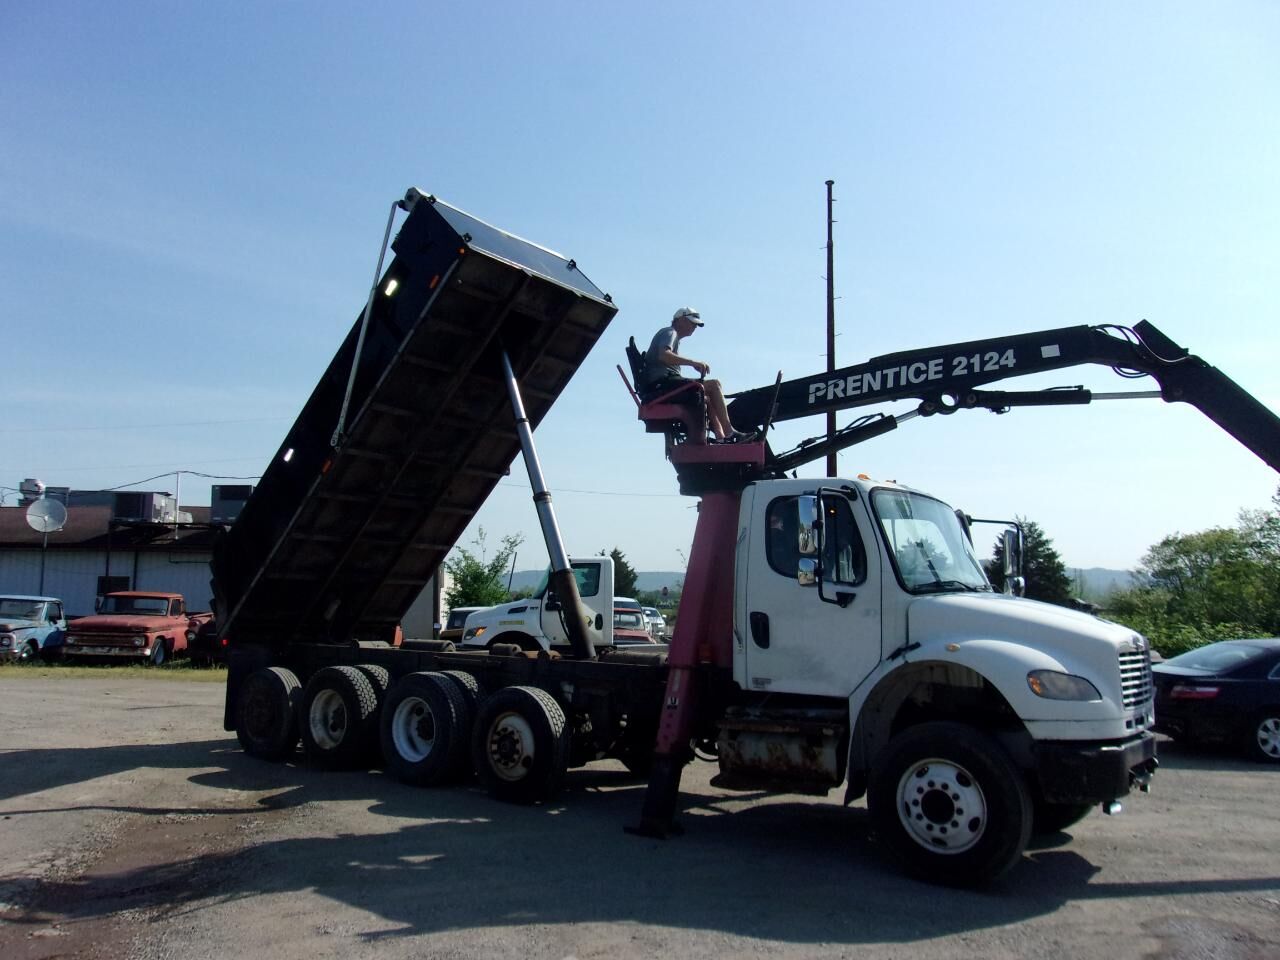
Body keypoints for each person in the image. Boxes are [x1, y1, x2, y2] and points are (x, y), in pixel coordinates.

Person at [639, 306, 748, 441]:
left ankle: (721, 436)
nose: (694, 327)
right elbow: (664, 355)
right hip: (662, 384)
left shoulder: (672, 336)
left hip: (663, 384)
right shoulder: (670, 332)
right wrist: (693, 363)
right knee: (714, 385)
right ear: (680, 320)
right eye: (692, 323)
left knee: (708, 396)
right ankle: (729, 431)